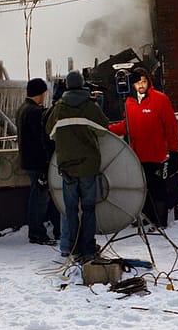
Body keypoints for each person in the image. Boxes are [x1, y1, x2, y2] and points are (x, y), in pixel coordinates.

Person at [45, 70, 109, 261]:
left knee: (70, 210)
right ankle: (89, 248)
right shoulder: (90, 106)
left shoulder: (59, 108)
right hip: (88, 167)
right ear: (82, 85)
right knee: (88, 208)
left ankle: (73, 248)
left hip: (67, 168)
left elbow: (50, 132)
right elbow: (104, 129)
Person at [109, 65, 178, 228]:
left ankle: (160, 222)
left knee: (158, 190)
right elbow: (127, 125)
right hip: (136, 156)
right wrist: (107, 129)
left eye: (144, 81)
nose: (141, 85)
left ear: (149, 82)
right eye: (137, 82)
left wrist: (174, 150)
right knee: (141, 190)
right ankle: (144, 219)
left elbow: (171, 126)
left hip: (157, 156)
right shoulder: (129, 103)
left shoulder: (160, 99)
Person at [17, 77, 59, 245]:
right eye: (43, 93)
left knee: (39, 195)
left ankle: (39, 231)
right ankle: (37, 233)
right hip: (38, 162)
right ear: (40, 93)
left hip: (29, 160)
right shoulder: (35, 112)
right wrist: (46, 162)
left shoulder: (23, 108)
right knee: (40, 198)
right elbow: (41, 139)